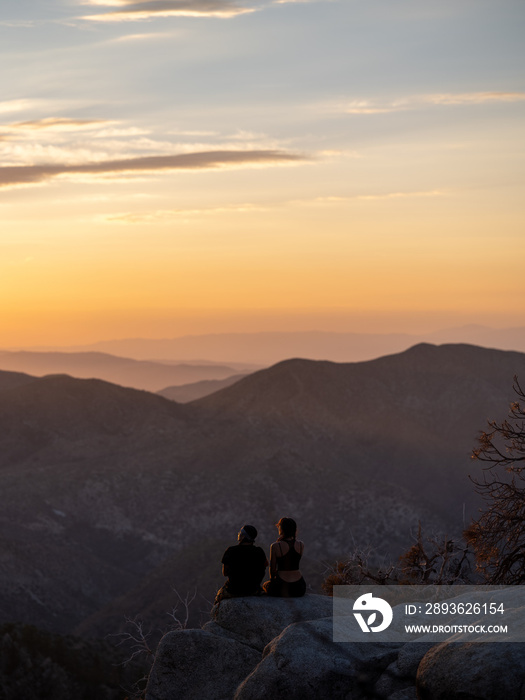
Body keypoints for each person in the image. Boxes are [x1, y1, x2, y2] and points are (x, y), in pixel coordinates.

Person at [215, 525, 268, 603]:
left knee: (218, 600)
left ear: (243, 536)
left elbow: (225, 573)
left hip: (233, 590)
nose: (238, 533)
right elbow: (265, 565)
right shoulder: (259, 551)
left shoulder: (231, 551)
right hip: (253, 589)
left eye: (240, 532)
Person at [263, 517, 306, 597]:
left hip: (282, 586)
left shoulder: (275, 546)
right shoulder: (301, 545)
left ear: (282, 529)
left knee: (265, 585)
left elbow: (272, 569)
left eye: (279, 526)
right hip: (299, 586)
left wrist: (272, 583)